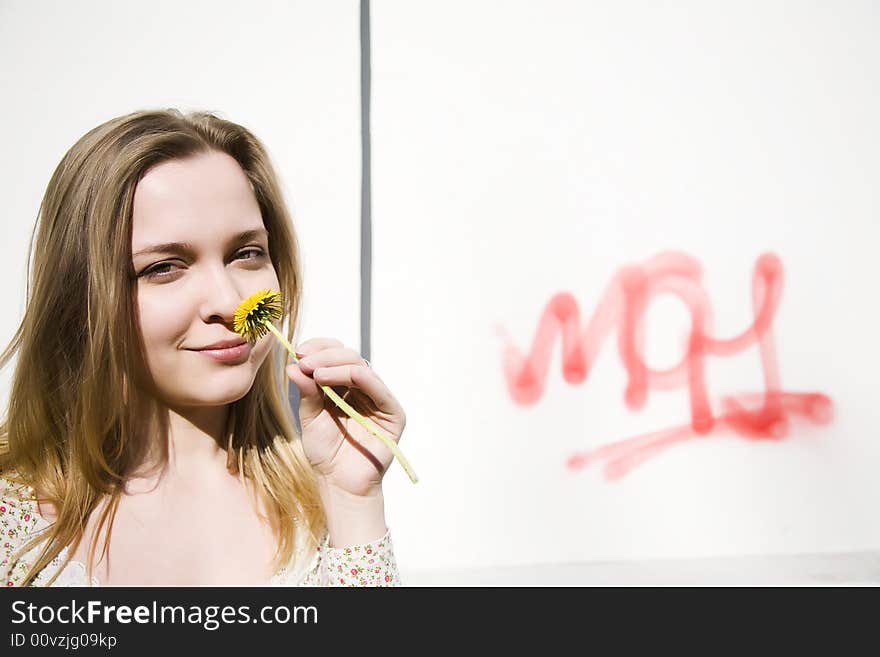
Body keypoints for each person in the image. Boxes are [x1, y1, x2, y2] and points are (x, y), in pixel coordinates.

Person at [0, 109, 405, 586]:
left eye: (247, 253)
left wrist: (353, 502)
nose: (230, 302)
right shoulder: (13, 518)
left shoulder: (318, 500)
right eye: (165, 267)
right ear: (80, 297)